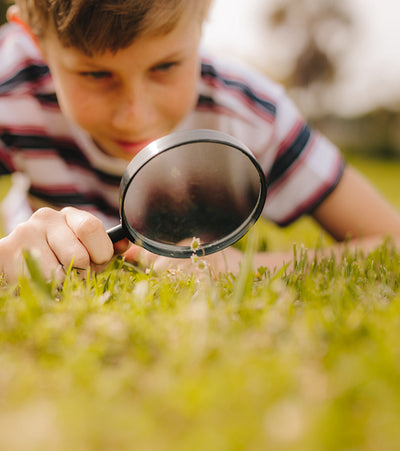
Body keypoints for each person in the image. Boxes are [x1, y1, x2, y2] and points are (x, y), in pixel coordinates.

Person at [0, 0, 399, 283]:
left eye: (166, 66)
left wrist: (251, 267)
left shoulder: (252, 115)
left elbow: (392, 242)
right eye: (95, 75)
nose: (135, 114)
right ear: (34, 39)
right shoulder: (10, 84)